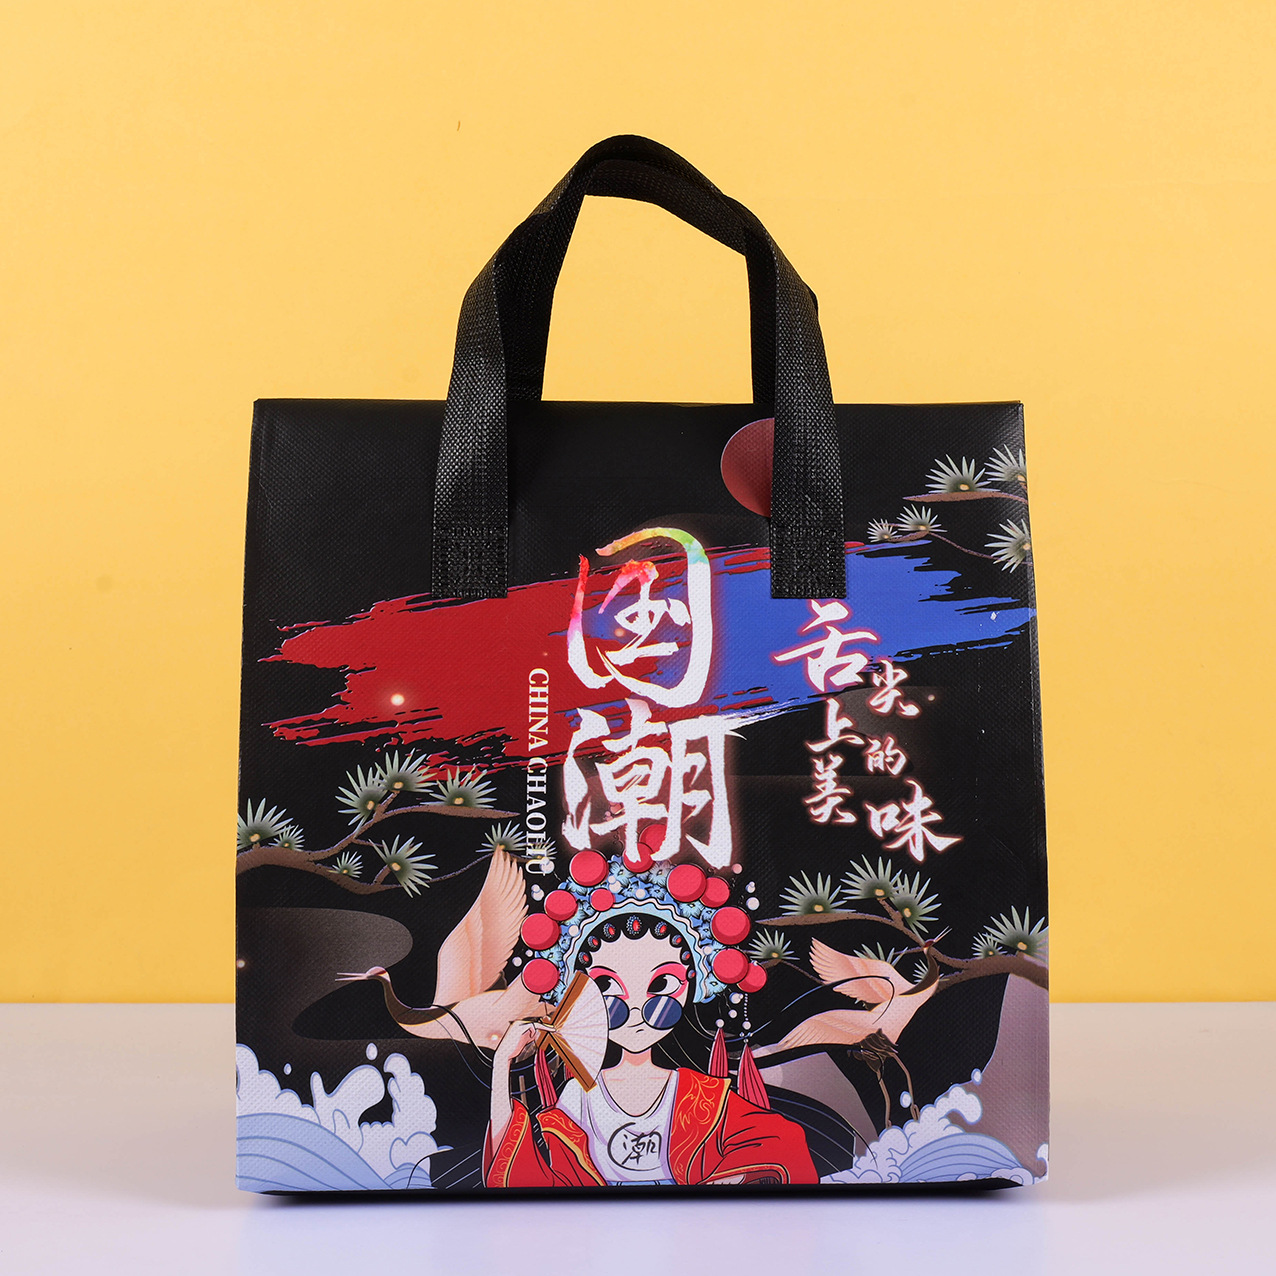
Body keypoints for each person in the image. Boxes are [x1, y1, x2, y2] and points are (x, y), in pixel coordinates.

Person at [485, 910, 817, 1188]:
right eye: (607, 987)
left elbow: (781, 1142)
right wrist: (502, 1063)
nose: (634, 1009)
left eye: (661, 985)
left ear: (689, 989)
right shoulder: (579, 1096)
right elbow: (521, 1171)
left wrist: (732, 1176)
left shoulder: (701, 1095)